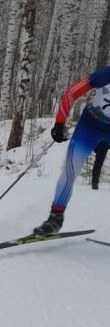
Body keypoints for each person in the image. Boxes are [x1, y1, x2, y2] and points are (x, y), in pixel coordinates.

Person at [33, 65, 110, 235]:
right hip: (90, 127)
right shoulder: (106, 74)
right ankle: (55, 219)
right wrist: (60, 123)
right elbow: (71, 93)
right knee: (70, 170)